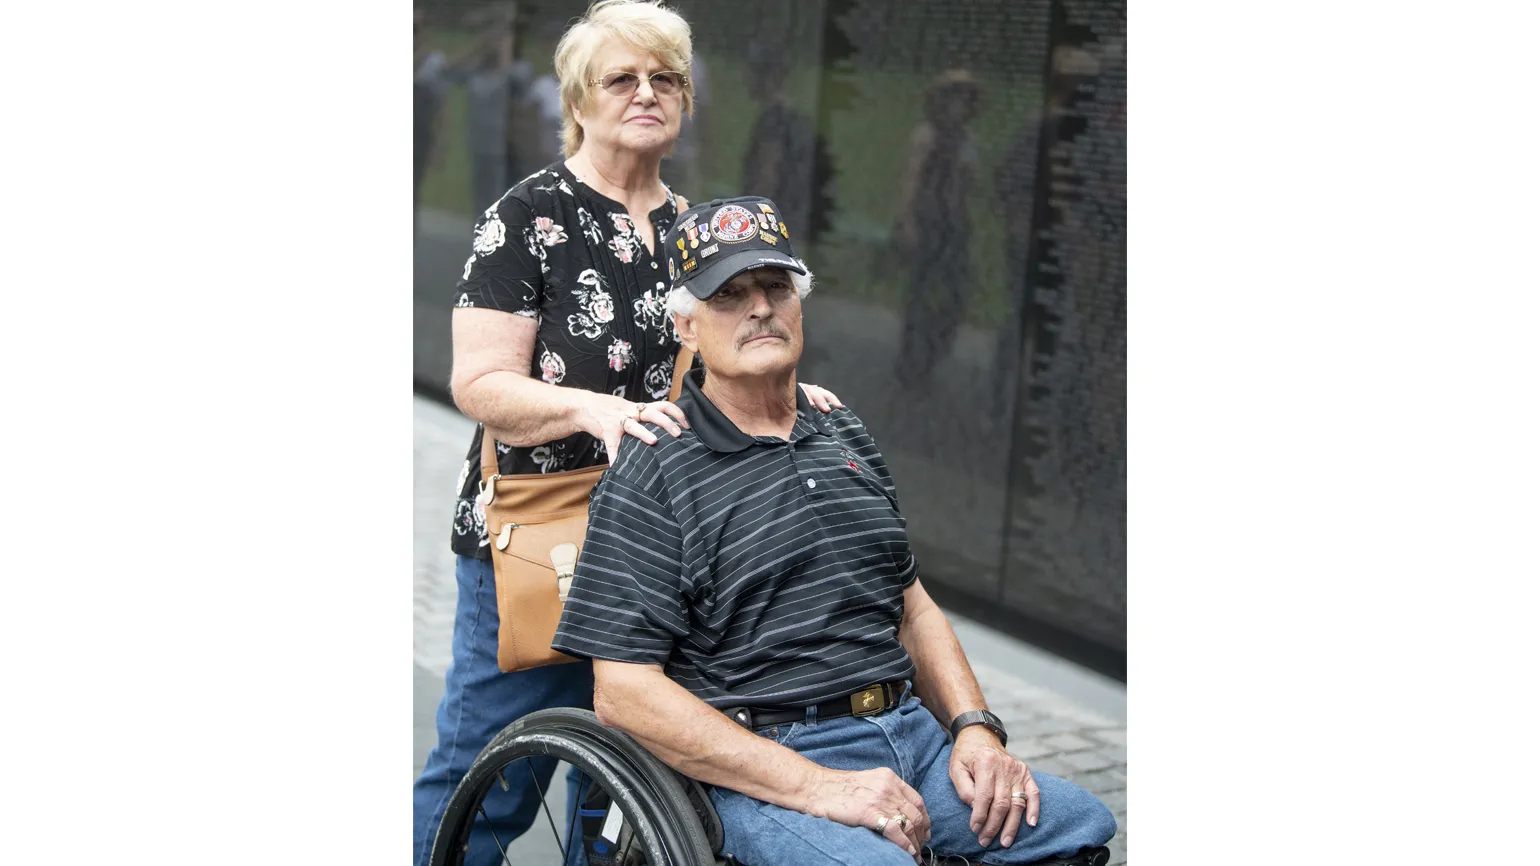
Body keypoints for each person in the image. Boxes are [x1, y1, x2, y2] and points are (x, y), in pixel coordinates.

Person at [551, 196, 1118, 866]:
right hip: (769, 764)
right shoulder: (656, 466)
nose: (759, 307)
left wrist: (975, 729)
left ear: (799, 305)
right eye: (727, 294)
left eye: (775, 287)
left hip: (914, 739)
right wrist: (819, 786)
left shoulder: (842, 431)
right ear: (688, 327)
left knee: (1080, 825)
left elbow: (912, 607)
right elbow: (622, 693)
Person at [411, 4, 844, 865]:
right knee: (492, 777)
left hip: (661, 547)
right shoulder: (527, 215)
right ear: (579, 100)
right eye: (623, 78)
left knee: (623, 795)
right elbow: (478, 382)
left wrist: (780, 382)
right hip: (537, 541)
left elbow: (721, 351)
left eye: (666, 79)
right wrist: (588, 408)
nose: (647, 93)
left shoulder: (696, 230)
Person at [894, 68, 984, 389]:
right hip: (928, 221)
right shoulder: (927, 136)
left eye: (965, 98)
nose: (960, 104)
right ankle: (912, 364)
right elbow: (912, 179)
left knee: (954, 297)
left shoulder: (968, 142)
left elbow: (969, 187)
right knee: (920, 295)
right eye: (954, 97)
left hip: (955, 224)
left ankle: (932, 353)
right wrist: (908, 222)